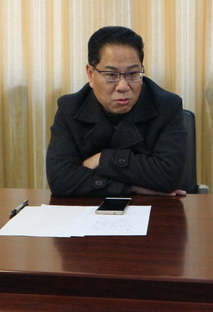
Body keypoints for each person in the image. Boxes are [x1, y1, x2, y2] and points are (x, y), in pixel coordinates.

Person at [46, 26, 187, 197]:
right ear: (90, 74)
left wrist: (103, 159)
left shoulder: (167, 106)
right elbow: (60, 180)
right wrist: (133, 188)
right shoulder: (70, 108)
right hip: (87, 210)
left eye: (132, 74)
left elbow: (168, 177)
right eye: (111, 75)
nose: (123, 86)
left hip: (153, 209)